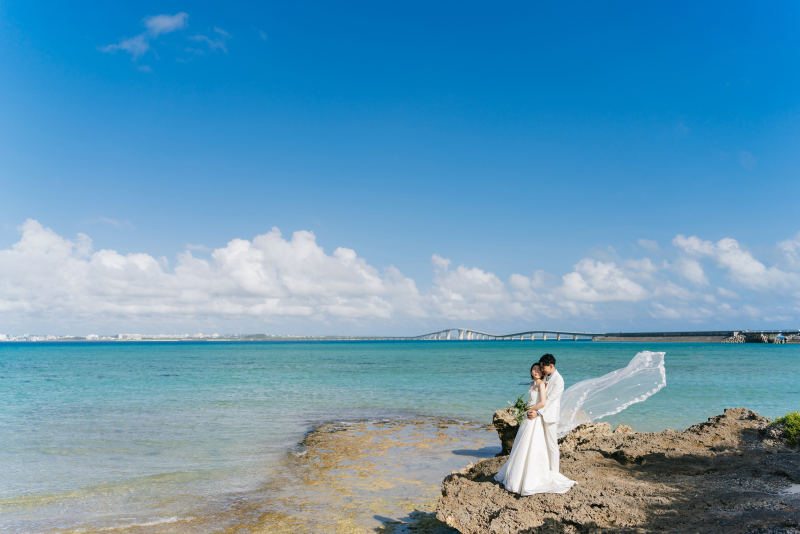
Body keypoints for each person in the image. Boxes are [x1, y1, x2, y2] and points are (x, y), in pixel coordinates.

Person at [494, 355, 577, 495]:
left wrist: (537, 412)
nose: (541, 370)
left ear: (550, 366)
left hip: (548, 416)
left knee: (551, 445)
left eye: (542, 367)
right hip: (537, 415)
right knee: (538, 445)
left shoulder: (559, 380)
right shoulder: (544, 378)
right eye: (538, 367)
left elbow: (549, 400)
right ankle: (538, 470)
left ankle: (554, 473)